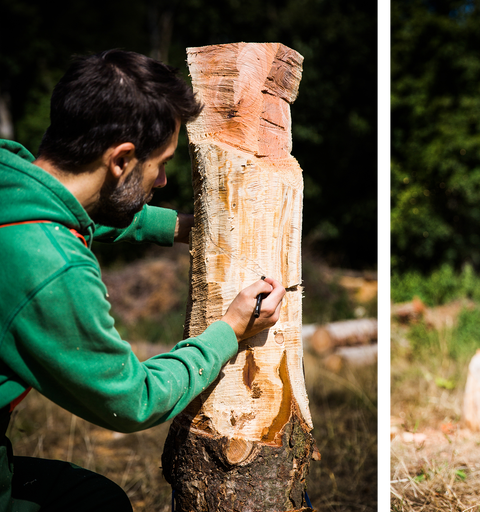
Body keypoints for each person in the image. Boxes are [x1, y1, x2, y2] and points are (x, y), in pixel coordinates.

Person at [0, 49, 285, 510]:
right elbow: (132, 399)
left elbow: (75, 210)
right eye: (161, 163)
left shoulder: (11, 178)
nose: (164, 180)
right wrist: (228, 332)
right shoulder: (50, 268)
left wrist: (178, 227)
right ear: (122, 160)